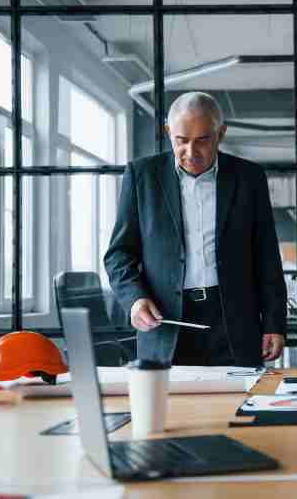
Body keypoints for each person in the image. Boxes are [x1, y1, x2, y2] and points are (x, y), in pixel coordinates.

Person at [104, 92, 286, 367]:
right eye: (181, 140)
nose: (191, 152)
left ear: (220, 133)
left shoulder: (249, 178)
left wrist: (274, 323)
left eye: (203, 140)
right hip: (166, 322)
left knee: (236, 407)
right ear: (168, 132)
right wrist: (135, 300)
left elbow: (267, 256)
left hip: (233, 321)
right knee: (171, 409)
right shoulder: (142, 176)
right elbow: (118, 254)